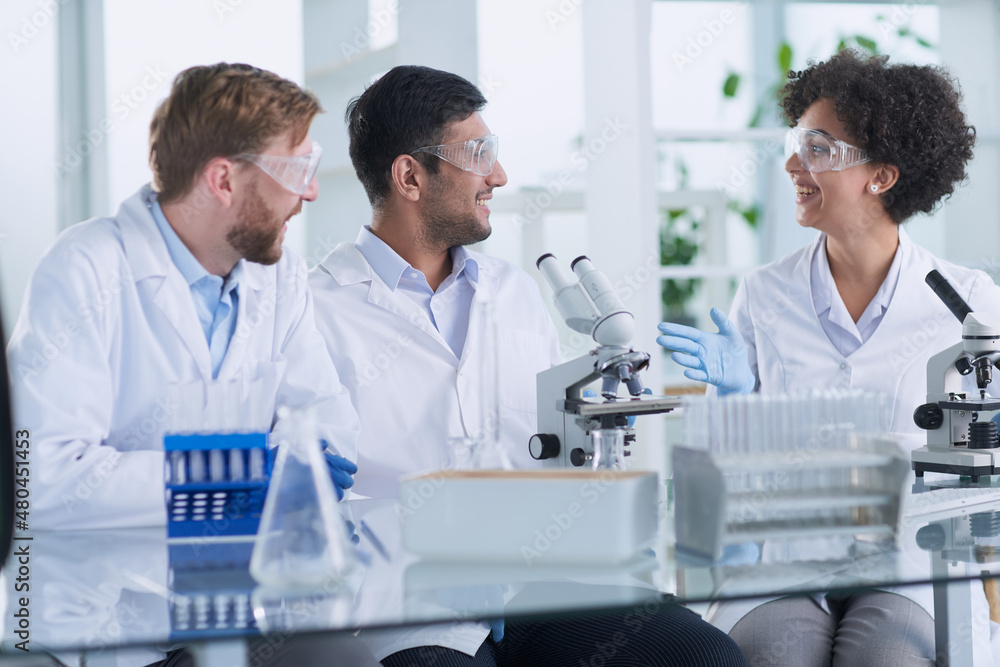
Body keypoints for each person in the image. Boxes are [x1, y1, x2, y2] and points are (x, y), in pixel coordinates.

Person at [309, 64, 747, 667]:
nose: (499, 175)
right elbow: (311, 500)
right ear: (409, 176)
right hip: (409, 601)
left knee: (706, 658)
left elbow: (543, 449)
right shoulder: (318, 309)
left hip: (539, 583)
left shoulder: (512, 291)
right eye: (478, 154)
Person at [7, 63, 377, 667]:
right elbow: (39, 481)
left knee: (345, 661)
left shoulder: (277, 274)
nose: (309, 192)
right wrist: (242, 474)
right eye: (296, 171)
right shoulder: (85, 269)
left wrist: (283, 466)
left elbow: (327, 425)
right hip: (105, 625)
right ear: (223, 180)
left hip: (240, 607)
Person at [657, 50, 1000, 666]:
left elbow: (988, 470)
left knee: (886, 658)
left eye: (818, 148)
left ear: (881, 176)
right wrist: (732, 402)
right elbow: (722, 472)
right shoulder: (763, 293)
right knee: (775, 656)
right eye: (796, 143)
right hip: (785, 560)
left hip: (913, 561)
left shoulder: (968, 304)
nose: (793, 164)